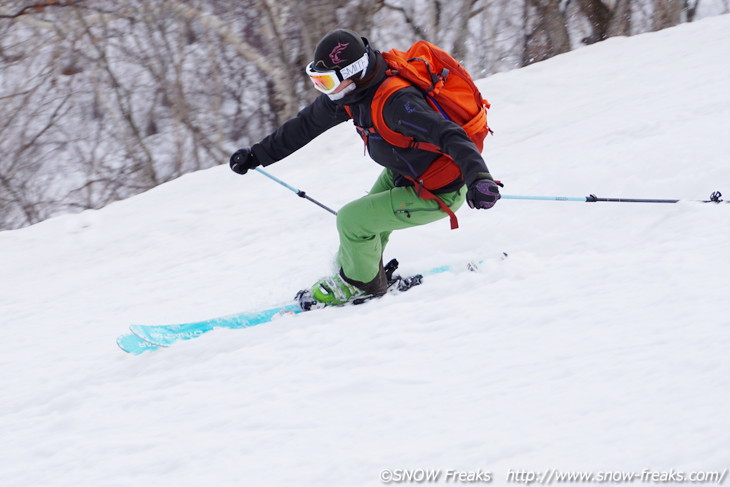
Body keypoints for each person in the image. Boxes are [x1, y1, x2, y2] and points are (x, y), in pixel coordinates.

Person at [229, 29, 500, 307]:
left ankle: (360, 285)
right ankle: (368, 275)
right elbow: (305, 124)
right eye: (317, 81)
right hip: (407, 173)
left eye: (326, 81)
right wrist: (256, 155)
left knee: (352, 220)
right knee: (364, 221)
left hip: (440, 189)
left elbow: (451, 136)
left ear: (354, 72)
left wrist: (479, 178)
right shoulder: (351, 94)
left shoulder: (397, 104)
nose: (323, 90)